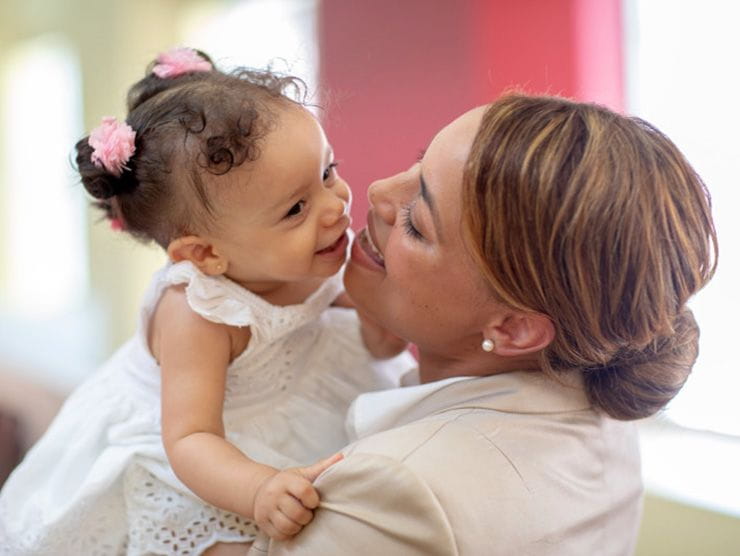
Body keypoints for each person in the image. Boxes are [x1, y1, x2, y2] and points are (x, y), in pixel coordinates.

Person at [251, 94, 717, 555]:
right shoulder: (605, 407)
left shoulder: (393, 490)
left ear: (514, 328)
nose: (378, 192)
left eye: (417, 223)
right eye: (418, 164)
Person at [0, 48, 412, 556]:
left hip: (295, 398)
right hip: (196, 448)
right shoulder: (198, 312)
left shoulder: (315, 254)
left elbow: (376, 344)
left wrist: (390, 320)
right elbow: (191, 440)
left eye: (328, 171)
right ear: (205, 254)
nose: (336, 206)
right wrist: (258, 488)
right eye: (296, 208)